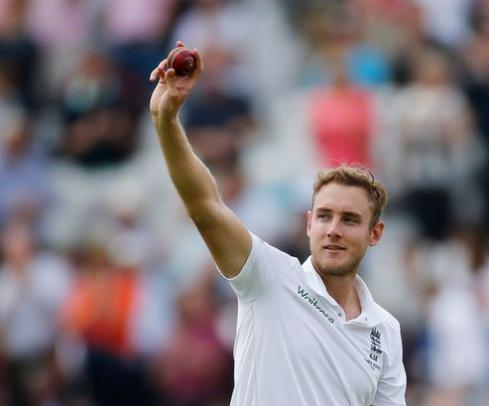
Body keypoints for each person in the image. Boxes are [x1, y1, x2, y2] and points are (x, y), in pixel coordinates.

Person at [149, 41, 407, 406]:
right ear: (308, 224)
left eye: (350, 219)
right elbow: (205, 207)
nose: (333, 228)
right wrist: (166, 121)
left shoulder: (385, 331)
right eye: (324, 216)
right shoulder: (269, 278)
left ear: (375, 233)